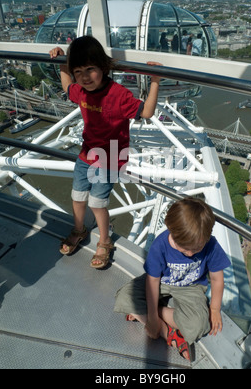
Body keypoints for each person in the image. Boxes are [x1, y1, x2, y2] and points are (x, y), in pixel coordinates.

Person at [49, 36, 162, 269]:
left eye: (90, 69)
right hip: (87, 152)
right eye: (78, 71)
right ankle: (79, 229)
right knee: (77, 196)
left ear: (103, 66)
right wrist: (61, 61)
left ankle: (104, 240)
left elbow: (147, 112)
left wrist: (155, 81)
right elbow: (67, 86)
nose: (84, 77)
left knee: (97, 203)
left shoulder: (118, 94)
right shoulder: (80, 90)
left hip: (110, 155)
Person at [114, 197, 231, 361]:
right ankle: (169, 333)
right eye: (185, 249)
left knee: (199, 325)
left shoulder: (211, 244)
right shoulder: (160, 245)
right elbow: (153, 281)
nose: (191, 254)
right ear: (172, 232)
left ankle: (146, 313)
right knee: (123, 296)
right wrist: (154, 319)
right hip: (161, 281)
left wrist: (214, 309)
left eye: (198, 248)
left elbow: (217, 278)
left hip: (191, 286)